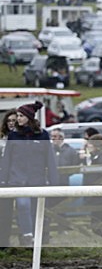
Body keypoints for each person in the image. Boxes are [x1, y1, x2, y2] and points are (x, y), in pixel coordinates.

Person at [0, 102, 60, 247]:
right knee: (23, 204)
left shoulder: (43, 135)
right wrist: (3, 180)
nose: (18, 119)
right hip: (17, 180)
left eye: (21, 116)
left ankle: (35, 239)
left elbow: (50, 159)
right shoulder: (13, 135)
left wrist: (54, 181)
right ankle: (27, 235)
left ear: (29, 117)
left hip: (37, 179)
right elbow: (7, 159)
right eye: (17, 116)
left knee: (36, 210)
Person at [0, 110, 18, 249]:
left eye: (14, 120)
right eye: (9, 121)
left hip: (13, 178)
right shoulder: (2, 138)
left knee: (7, 212)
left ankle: (5, 241)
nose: (11, 123)